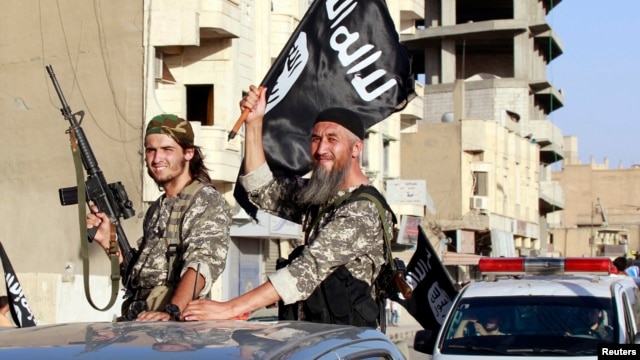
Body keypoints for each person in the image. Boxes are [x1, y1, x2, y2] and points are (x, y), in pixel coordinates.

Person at [183, 85, 395, 329]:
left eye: (332, 139)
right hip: (312, 337)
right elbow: (261, 190)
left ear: (356, 148)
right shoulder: (324, 195)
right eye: (316, 139)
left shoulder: (362, 211)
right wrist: (253, 123)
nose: (321, 149)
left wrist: (229, 309)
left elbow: (305, 271)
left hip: (347, 345)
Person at [87, 114, 232, 321]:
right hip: (141, 322)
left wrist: (171, 312)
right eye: (151, 150)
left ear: (189, 153)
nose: (156, 159)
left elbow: (202, 266)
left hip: (175, 334)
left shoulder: (205, 201)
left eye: (167, 150)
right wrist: (108, 242)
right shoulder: (157, 208)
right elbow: (137, 278)